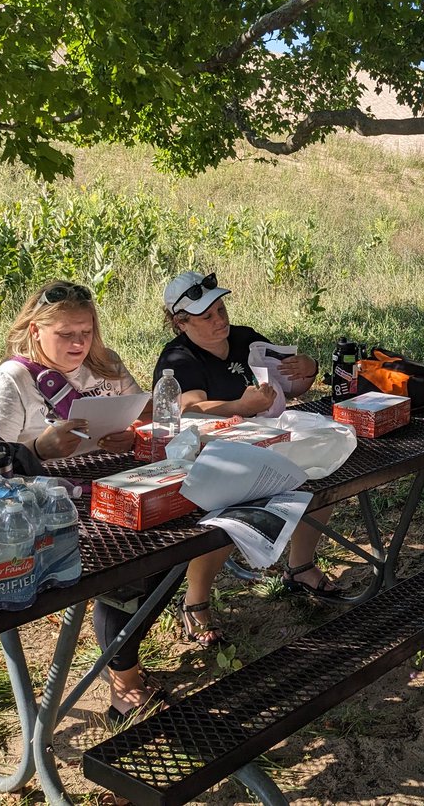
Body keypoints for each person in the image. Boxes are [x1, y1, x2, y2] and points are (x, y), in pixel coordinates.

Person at [0, 280, 164, 722]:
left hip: (114, 486)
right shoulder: (12, 380)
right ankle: (123, 678)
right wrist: (37, 449)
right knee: (131, 565)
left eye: (87, 331)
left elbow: (142, 414)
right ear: (35, 330)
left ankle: (130, 649)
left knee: (178, 543)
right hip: (46, 503)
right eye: (66, 334)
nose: (79, 343)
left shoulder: (106, 365)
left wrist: (127, 436)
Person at [153, 270, 341, 637]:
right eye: (207, 316)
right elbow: (188, 410)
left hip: (265, 441)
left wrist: (309, 369)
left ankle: (300, 566)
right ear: (181, 322)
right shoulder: (179, 357)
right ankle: (196, 601)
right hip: (214, 457)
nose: (220, 320)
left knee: (324, 472)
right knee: (229, 514)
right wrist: (240, 404)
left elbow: (288, 386)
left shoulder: (245, 338)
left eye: (221, 309)